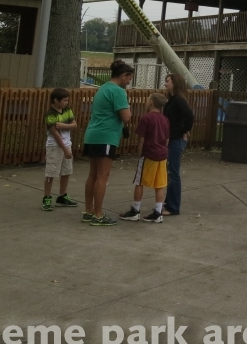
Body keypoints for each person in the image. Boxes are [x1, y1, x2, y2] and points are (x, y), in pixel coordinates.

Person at [82, 60, 134, 226]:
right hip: (106, 136)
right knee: (103, 176)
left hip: (93, 134)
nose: (128, 83)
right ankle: (98, 214)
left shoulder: (103, 88)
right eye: (129, 79)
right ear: (123, 75)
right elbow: (126, 117)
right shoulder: (118, 91)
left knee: (93, 174)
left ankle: (89, 211)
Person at [119, 93, 170, 223]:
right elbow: (167, 138)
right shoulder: (165, 119)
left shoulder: (146, 118)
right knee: (159, 184)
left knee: (139, 181)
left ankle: (135, 210)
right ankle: (158, 212)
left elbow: (141, 139)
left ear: (151, 102)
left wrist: (139, 154)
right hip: (162, 154)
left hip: (149, 154)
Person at [162, 73, 194, 216]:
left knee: (173, 173)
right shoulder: (172, 100)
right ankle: (169, 203)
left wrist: (182, 130)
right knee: (170, 173)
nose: (165, 83)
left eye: (167, 81)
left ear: (174, 83)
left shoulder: (179, 101)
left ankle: (173, 207)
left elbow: (189, 116)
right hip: (173, 139)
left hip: (176, 140)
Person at [42, 88, 78, 211]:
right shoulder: (50, 115)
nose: (66, 103)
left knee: (66, 171)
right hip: (55, 146)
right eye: (64, 100)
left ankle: (62, 195)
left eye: (67, 100)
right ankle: (47, 197)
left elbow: (74, 124)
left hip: (67, 144)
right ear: (55, 100)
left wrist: (64, 125)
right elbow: (55, 133)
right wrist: (65, 149)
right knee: (51, 172)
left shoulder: (67, 110)